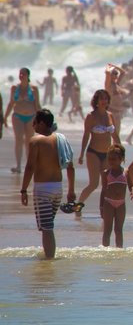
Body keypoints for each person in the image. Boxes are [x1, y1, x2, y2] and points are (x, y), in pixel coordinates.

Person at [20, 109, 76, 259]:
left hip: (43, 190)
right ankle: (48, 254)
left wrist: (23, 190)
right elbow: (70, 166)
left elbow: (30, 167)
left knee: (47, 228)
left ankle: (49, 262)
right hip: (58, 189)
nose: (33, 125)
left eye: (35, 122)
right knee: (48, 226)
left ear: (42, 123)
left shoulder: (36, 141)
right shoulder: (61, 139)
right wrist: (71, 190)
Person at [77, 89, 120, 216]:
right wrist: (81, 154)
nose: (104, 101)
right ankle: (78, 205)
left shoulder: (110, 115)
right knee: (94, 184)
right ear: (96, 101)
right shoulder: (91, 116)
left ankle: (103, 210)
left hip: (108, 154)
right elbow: (86, 136)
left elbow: (115, 136)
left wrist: (121, 151)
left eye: (106, 99)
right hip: (93, 153)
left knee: (107, 184)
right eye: (101, 98)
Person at [5, 67, 41, 174]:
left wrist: (42, 118)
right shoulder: (14, 88)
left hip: (31, 117)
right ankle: (18, 166)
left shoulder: (34, 89)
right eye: (20, 74)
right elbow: (11, 103)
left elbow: (37, 105)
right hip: (17, 117)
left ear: (28, 75)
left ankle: (30, 165)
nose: (21, 76)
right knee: (19, 140)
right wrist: (5, 117)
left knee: (29, 142)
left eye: (23, 74)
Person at [99, 144, 128, 247]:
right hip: (108, 202)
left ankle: (119, 250)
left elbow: (132, 186)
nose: (111, 161)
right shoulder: (106, 173)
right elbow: (103, 190)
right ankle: (105, 250)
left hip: (121, 203)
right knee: (107, 230)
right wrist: (101, 206)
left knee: (119, 230)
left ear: (121, 159)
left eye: (114, 159)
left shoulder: (126, 172)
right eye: (109, 159)